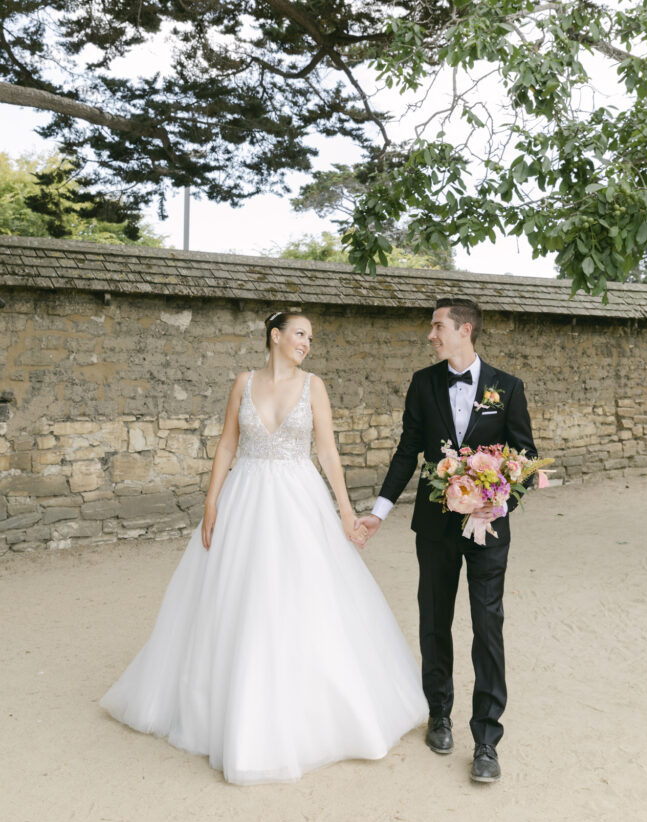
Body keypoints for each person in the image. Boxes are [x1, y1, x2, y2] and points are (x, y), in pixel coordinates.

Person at [100, 310, 427, 785]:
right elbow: (228, 446)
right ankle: (227, 708)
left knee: (303, 597)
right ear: (275, 337)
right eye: (300, 334)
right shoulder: (242, 382)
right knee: (235, 597)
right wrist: (211, 502)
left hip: (299, 501)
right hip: (245, 498)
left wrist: (344, 510)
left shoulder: (314, 386)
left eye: (311, 337)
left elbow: (328, 451)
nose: (307, 343)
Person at [356, 297, 538, 783]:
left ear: (465, 329)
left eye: (437, 326)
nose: (430, 335)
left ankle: (486, 739)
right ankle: (439, 713)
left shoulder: (508, 386)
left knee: (487, 626)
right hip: (434, 527)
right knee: (434, 619)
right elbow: (406, 452)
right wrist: (379, 513)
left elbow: (524, 458)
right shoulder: (423, 383)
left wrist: (496, 502)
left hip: (488, 529)